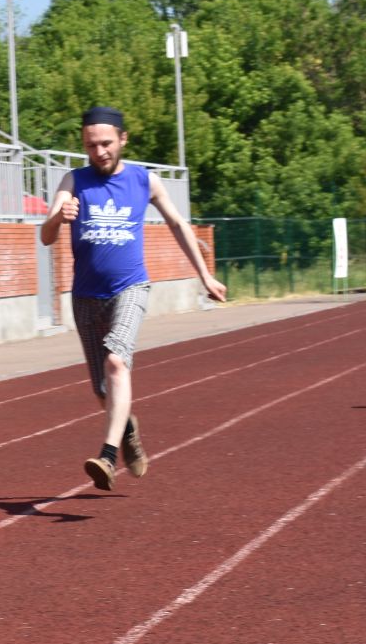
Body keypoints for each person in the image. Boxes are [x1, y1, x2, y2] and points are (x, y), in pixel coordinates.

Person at [41, 106, 228, 491]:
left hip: (131, 288)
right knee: (101, 390)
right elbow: (45, 235)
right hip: (85, 296)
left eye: (107, 143)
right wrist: (60, 217)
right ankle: (126, 429)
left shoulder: (145, 181)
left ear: (123, 140)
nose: (100, 152)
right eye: (91, 145)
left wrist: (204, 274)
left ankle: (107, 456)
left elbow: (178, 224)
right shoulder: (73, 181)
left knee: (116, 361)